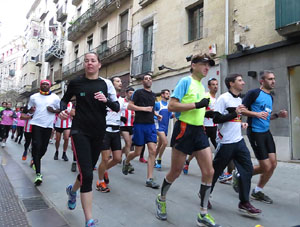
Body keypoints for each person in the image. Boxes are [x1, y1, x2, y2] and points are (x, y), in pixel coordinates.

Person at [155, 54, 220, 227]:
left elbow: (196, 108)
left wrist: (207, 113)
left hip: (199, 131)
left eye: (209, 65)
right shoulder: (185, 81)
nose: (207, 67)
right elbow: (172, 106)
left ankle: (203, 214)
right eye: (204, 64)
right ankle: (161, 199)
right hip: (183, 129)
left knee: (209, 172)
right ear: (193, 65)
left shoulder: (201, 87)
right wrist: (197, 105)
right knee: (175, 172)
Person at [59, 52, 119, 227]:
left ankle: (72, 190)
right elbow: (64, 101)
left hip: (99, 132)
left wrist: (106, 100)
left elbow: (116, 107)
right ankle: (89, 220)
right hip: (79, 131)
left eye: (93, 61)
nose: (89, 63)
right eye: (86, 61)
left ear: (99, 64)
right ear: (84, 64)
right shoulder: (76, 83)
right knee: (87, 174)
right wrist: (63, 110)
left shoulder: (106, 84)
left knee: (86, 171)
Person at [210, 73, 262, 217]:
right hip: (226, 142)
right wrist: (235, 114)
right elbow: (217, 118)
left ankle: (244, 202)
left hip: (239, 141)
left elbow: (234, 119)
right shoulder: (223, 99)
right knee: (214, 172)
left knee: (247, 169)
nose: (243, 83)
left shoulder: (239, 100)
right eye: (240, 81)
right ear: (231, 83)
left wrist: (241, 123)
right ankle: (205, 194)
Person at [241, 70, 288, 204]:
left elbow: (266, 116)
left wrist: (278, 115)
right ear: (262, 81)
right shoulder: (253, 93)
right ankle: (240, 174)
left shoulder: (271, 97)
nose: (273, 81)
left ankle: (257, 191)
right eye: (270, 79)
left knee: (273, 164)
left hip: (266, 132)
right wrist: (256, 114)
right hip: (255, 132)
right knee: (266, 166)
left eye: (274, 79)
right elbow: (241, 109)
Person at [122, 74, 160, 189]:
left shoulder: (153, 95)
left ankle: (149, 179)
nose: (148, 80)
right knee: (137, 152)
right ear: (143, 81)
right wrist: (143, 109)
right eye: (146, 79)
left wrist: (156, 114)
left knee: (152, 151)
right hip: (139, 125)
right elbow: (129, 106)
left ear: (152, 81)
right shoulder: (138, 93)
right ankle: (127, 161)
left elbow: (151, 109)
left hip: (151, 126)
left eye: (150, 78)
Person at [96, 76, 126, 193]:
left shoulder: (122, 100)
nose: (120, 83)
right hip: (105, 131)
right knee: (105, 158)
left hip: (116, 131)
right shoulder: (104, 98)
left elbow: (129, 107)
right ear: (111, 84)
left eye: (120, 81)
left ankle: (103, 170)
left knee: (117, 158)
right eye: (117, 81)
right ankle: (100, 181)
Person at [28, 80, 60, 185]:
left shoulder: (55, 97)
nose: (45, 86)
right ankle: (38, 174)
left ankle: (35, 160)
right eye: (43, 84)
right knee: (36, 146)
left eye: (47, 84)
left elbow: (61, 109)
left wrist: (54, 111)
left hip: (48, 125)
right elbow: (28, 109)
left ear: (50, 86)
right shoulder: (34, 97)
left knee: (44, 148)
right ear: (40, 86)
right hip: (36, 124)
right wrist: (31, 111)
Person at [154, 89, 173, 169]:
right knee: (165, 143)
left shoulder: (169, 106)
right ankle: (159, 159)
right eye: (166, 93)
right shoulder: (157, 104)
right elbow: (152, 113)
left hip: (165, 127)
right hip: (158, 126)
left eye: (169, 94)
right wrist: (157, 117)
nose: (168, 95)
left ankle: (152, 159)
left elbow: (170, 116)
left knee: (160, 145)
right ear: (162, 95)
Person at [120, 87, 135, 162]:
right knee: (128, 142)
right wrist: (121, 117)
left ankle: (119, 153)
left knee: (129, 144)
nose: (131, 95)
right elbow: (117, 110)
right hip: (123, 125)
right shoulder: (122, 101)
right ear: (126, 93)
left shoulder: (134, 102)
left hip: (132, 125)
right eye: (130, 93)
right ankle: (127, 162)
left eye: (133, 93)